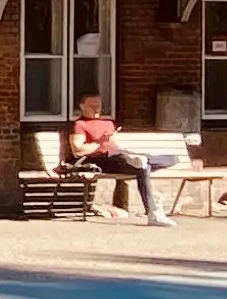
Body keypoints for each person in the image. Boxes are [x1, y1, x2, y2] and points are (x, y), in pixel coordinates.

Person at [68, 94, 180, 223]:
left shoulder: (108, 123)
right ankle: (153, 213)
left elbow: (114, 144)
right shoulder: (80, 124)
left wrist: (122, 150)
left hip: (119, 155)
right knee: (139, 165)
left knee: (171, 159)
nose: (97, 109)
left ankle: (138, 161)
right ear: (82, 107)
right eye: (92, 106)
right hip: (101, 159)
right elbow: (78, 151)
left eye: (98, 106)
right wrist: (99, 142)